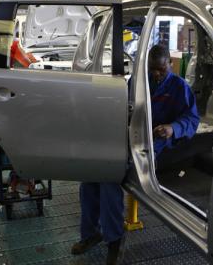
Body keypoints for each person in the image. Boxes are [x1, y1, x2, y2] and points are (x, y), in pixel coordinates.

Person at [71, 45, 199, 264]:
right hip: (131, 138)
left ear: (169, 63)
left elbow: (192, 119)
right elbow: (124, 108)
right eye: (153, 69)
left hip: (157, 146)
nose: (157, 74)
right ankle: (91, 234)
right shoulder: (138, 82)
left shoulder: (179, 87)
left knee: (109, 179)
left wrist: (172, 128)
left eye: (161, 69)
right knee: (90, 177)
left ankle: (114, 240)